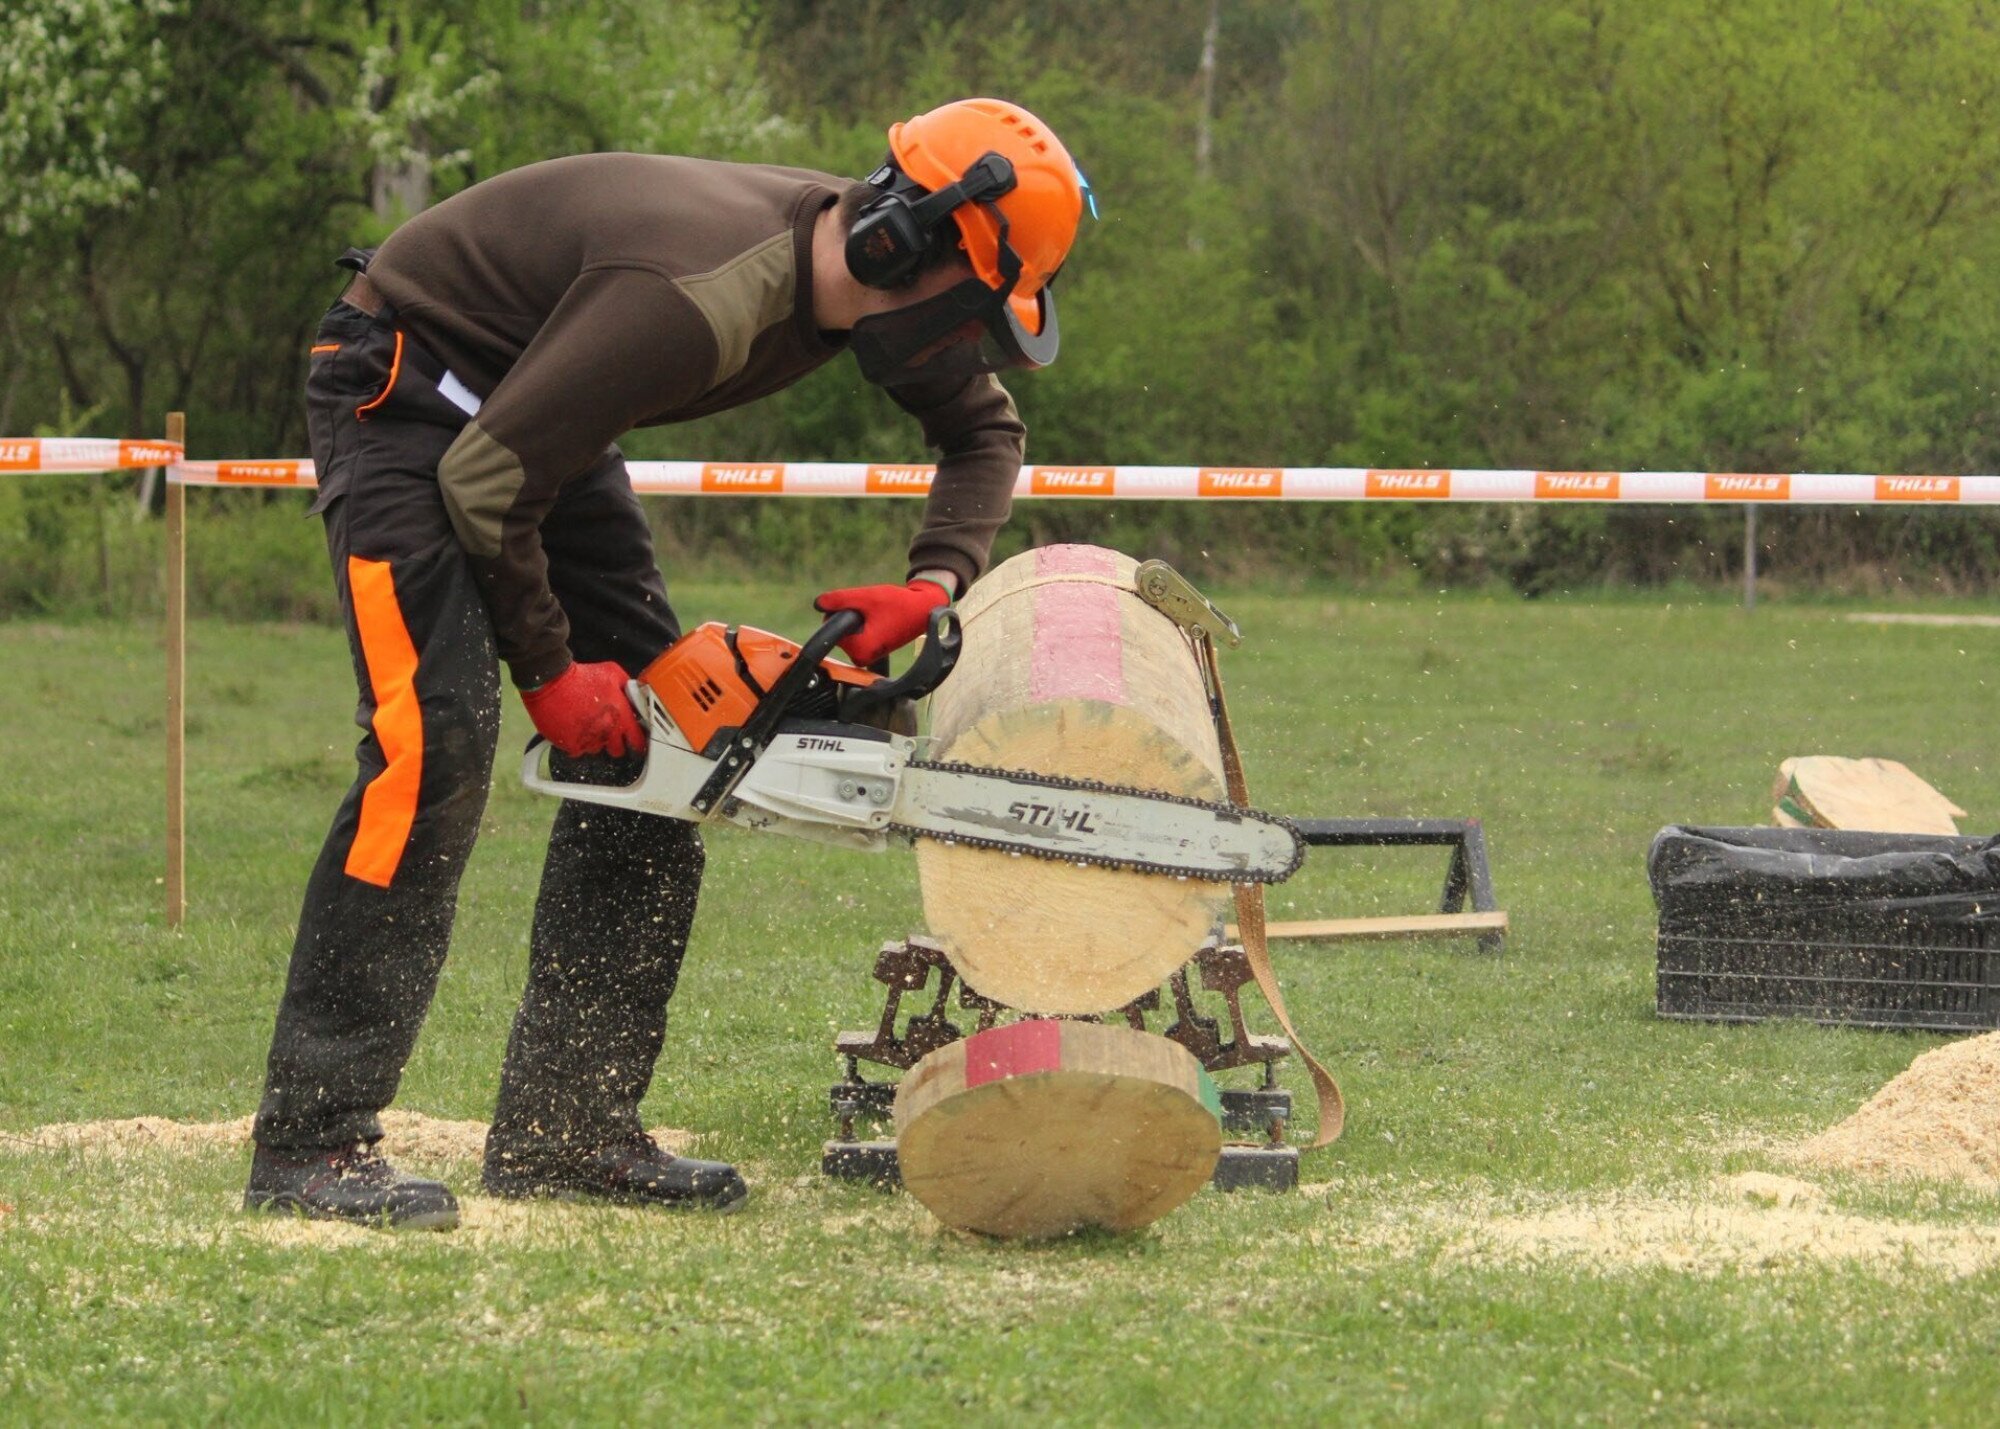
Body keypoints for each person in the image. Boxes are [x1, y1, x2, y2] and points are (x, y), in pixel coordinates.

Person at [243, 98, 1089, 1229]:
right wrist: (549, 670)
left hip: (531, 426)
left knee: (673, 737)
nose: (968, 341)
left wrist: (931, 583)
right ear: (901, 244)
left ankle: (567, 1127)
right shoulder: (695, 296)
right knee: (430, 748)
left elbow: (985, 433)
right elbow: (483, 483)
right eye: (973, 309)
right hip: (404, 392)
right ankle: (311, 1142)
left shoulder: (869, 285)